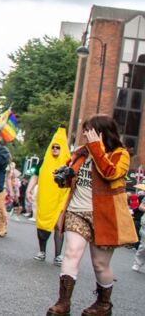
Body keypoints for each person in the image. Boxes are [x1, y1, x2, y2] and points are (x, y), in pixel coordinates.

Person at [46, 115, 138, 316]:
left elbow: (110, 173)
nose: (85, 135)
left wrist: (96, 147)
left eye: (89, 131)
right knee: (71, 253)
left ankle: (103, 304)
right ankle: (63, 304)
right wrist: (64, 177)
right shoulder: (81, 152)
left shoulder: (120, 154)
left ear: (101, 132)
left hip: (105, 217)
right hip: (77, 211)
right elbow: (74, 177)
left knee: (100, 264)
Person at [32, 141, 70, 265]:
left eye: (58, 147)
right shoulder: (44, 160)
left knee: (59, 226)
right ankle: (42, 251)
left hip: (61, 198)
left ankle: (58, 255)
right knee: (43, 224)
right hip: (45, 197)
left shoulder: (68, 162)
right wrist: (29, 189)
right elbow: (35, 176)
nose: (55, 149)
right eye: (53, 147)